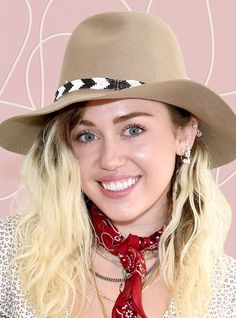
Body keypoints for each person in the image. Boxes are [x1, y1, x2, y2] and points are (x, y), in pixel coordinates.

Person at [0, 11, 235, 318]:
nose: (110, 159)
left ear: (184, 134)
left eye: (133, 129)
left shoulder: (226, 292)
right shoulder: (10, 258)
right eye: (86, 136)